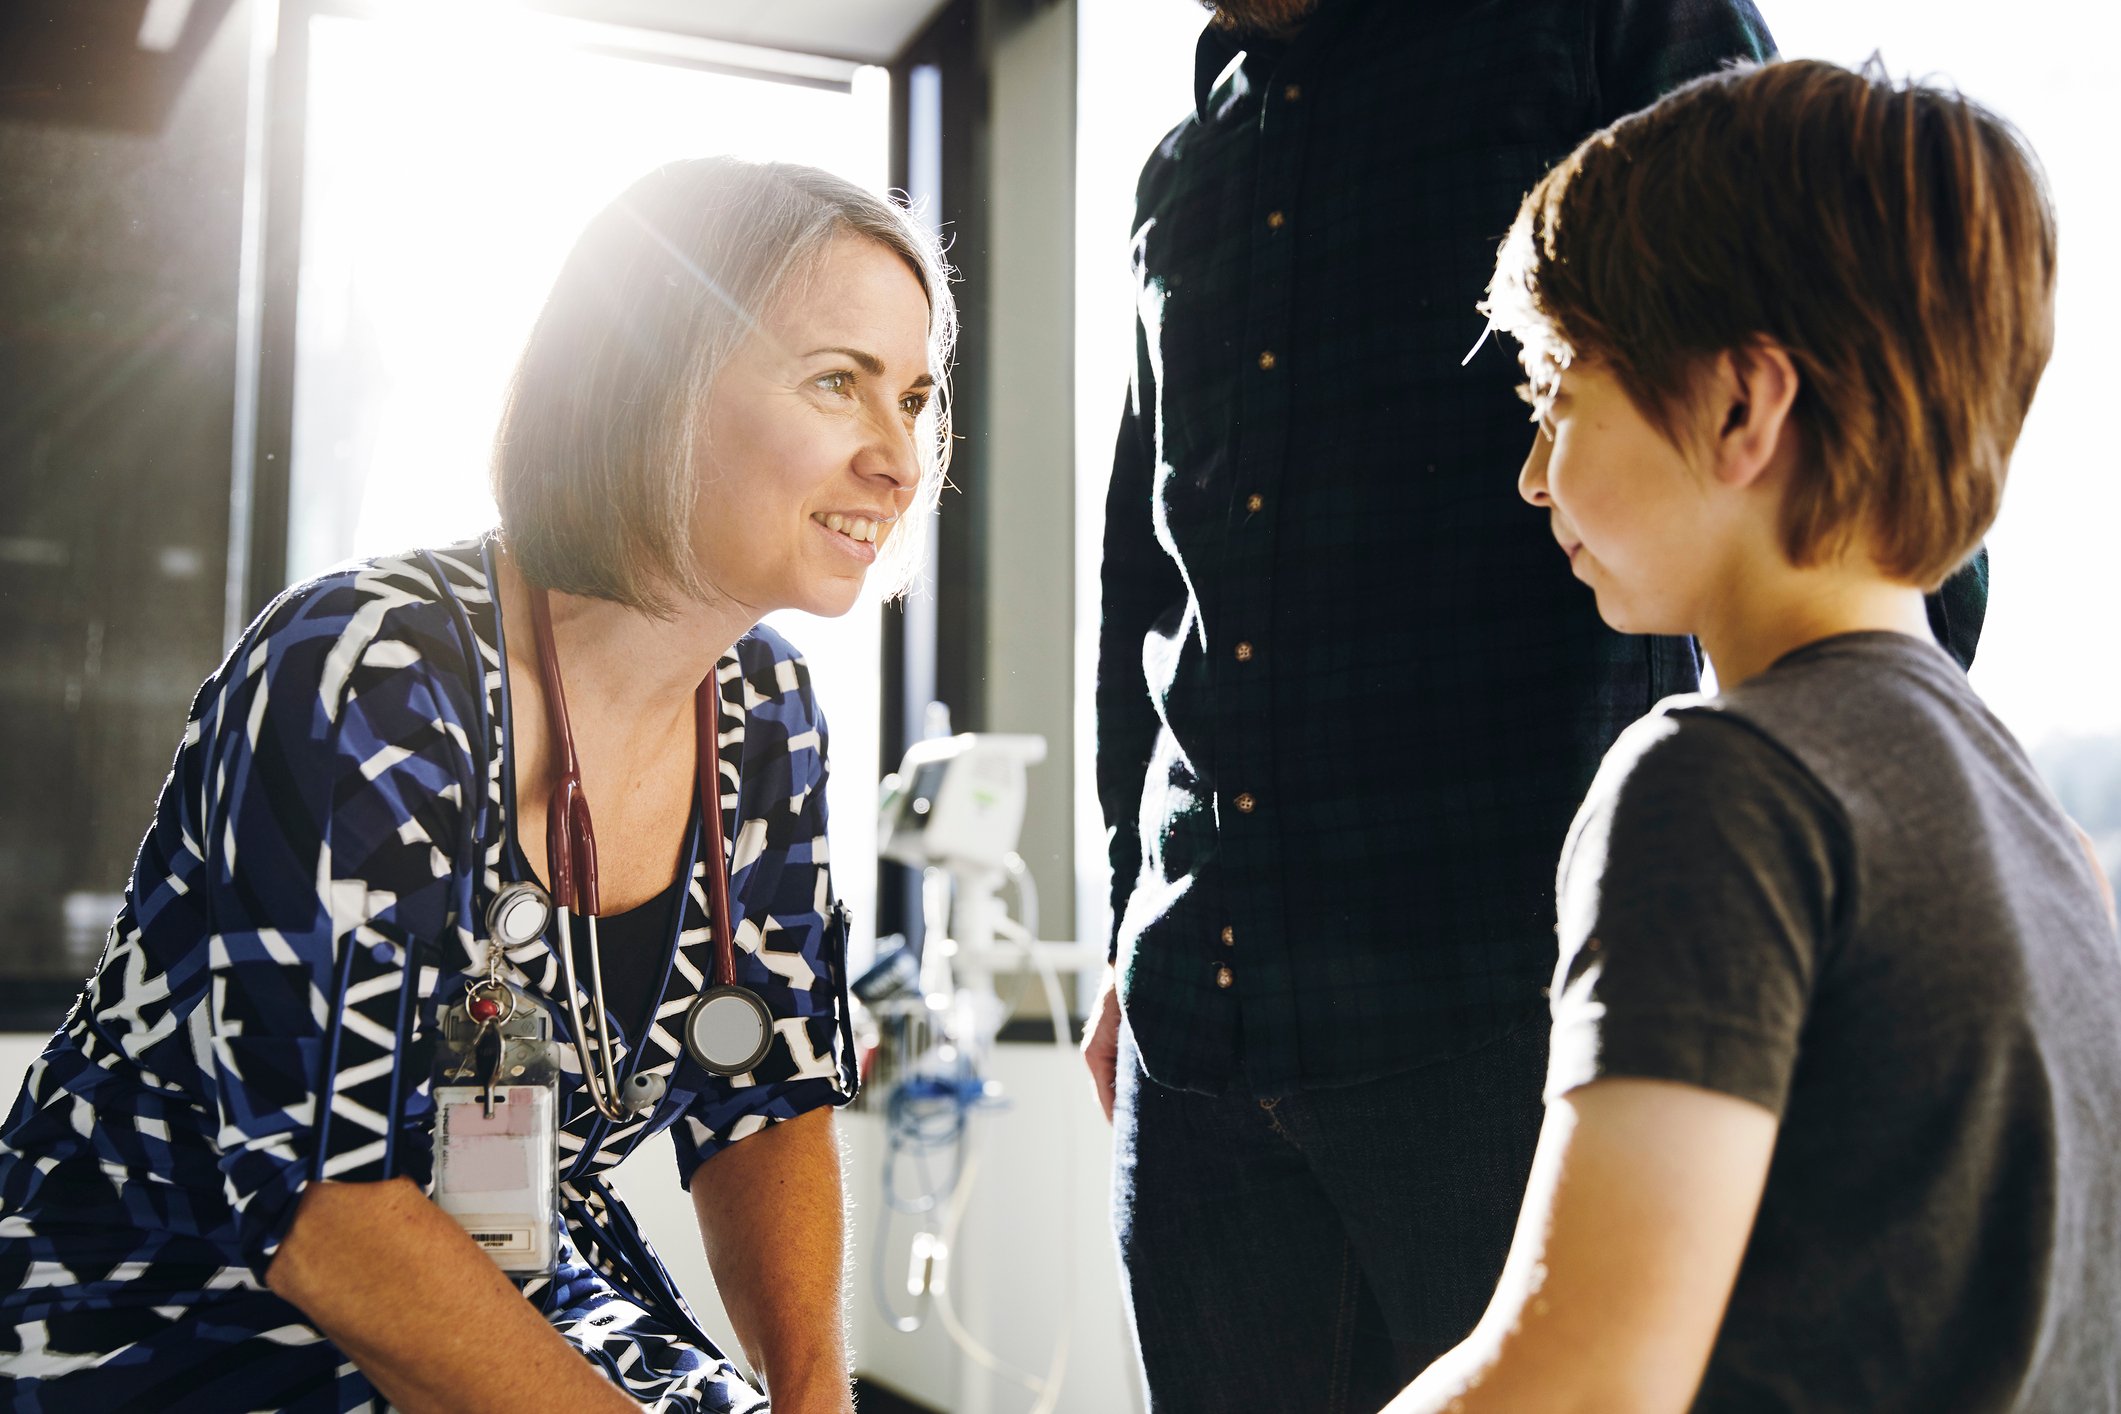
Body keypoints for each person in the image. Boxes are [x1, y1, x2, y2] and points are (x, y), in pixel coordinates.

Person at [1083, 2, 2000, 1410]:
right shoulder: (1176, 172)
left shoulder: (1605, 23)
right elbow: (1149, 575)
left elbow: (1841, 353)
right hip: (1197, 1024)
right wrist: (1118, 916)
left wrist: (1870, 864)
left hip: (1515, 1007)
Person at [0, 157, 955, 1413]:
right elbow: (322, 1215)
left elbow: (761, 1094)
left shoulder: (767, 713)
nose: (897, 458)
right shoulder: (368, 671)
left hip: (509, 1270)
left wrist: (814, 1403)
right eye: (839, 382)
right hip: (165, 1304)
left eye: (918, 396)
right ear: (655, 383)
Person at [1388, 58, 2121, 1413]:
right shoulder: (2039, 830)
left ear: (1741, 405)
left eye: (1557, 388)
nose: (1532, 469)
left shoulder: (1722, 783)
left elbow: (1581, 1383)